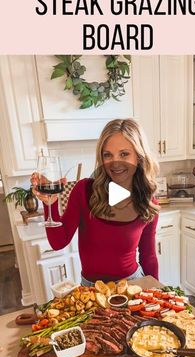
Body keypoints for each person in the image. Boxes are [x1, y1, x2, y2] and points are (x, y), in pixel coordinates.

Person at [31, 119, 160, 286]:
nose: (115, 163)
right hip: (91, 291)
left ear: (139, 157)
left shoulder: (148, 203)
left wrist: (158, 293)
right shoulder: (84, 190)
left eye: (124, 154)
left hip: (131, 286)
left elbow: (148, 256)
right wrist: (50, 204)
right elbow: (58, 242)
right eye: (108, 155)